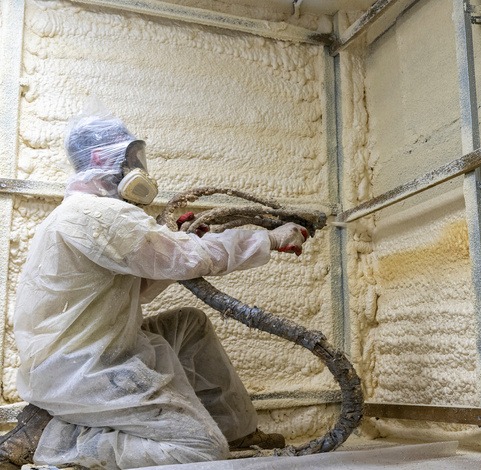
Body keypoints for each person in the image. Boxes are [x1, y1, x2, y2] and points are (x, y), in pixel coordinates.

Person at [0, 105, 310, 469]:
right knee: (200, 450)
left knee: (188, 324)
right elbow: (184, 259)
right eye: (131, 158)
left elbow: (141, 283)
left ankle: (236, 431)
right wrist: (267, 239)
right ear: (104, 158)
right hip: (85, 366)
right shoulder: (98, 214)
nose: (138, 169)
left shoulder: (88, 215)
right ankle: (53, 438)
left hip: (86, 347)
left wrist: (180, 242)